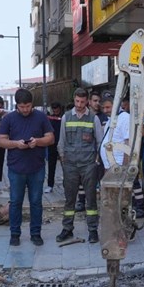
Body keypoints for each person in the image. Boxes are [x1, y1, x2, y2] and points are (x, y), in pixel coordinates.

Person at [0, 88, 54, 246]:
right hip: (16, 168)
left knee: (36, 201)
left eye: (28, 106)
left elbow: (50, 138)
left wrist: (38, 141)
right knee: (15, 202)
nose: (25, 109)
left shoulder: (41, 117)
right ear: (17, 105)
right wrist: (16, 144)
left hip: (37, 167)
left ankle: (36, 233)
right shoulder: (8, 119)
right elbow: (0, 141)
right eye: (22, 107)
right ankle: (15, 234)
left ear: (32, 104)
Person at [56, 88, 103, 244]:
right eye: (77, 101)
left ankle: (93, 230)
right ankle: (67, 229)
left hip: (88, 165)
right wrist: (64, 161)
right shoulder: (66, 117)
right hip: (70, 165)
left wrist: (96, 161)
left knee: (91, 200)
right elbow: (61, 142)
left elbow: (100, 143)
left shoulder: (94, 119)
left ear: (87, 101)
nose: (80, 105)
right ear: (74, 99)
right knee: (70, 200)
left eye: (83, 102)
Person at [44, 101, 64, 193]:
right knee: (51, 165)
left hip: (62, 144)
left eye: (57, 109)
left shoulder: (64, 117)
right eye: (54, 109)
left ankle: (66, 185)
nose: (55, 111)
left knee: (65, 166)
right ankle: (50, 185)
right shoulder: (50, 118)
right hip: (52, 144)